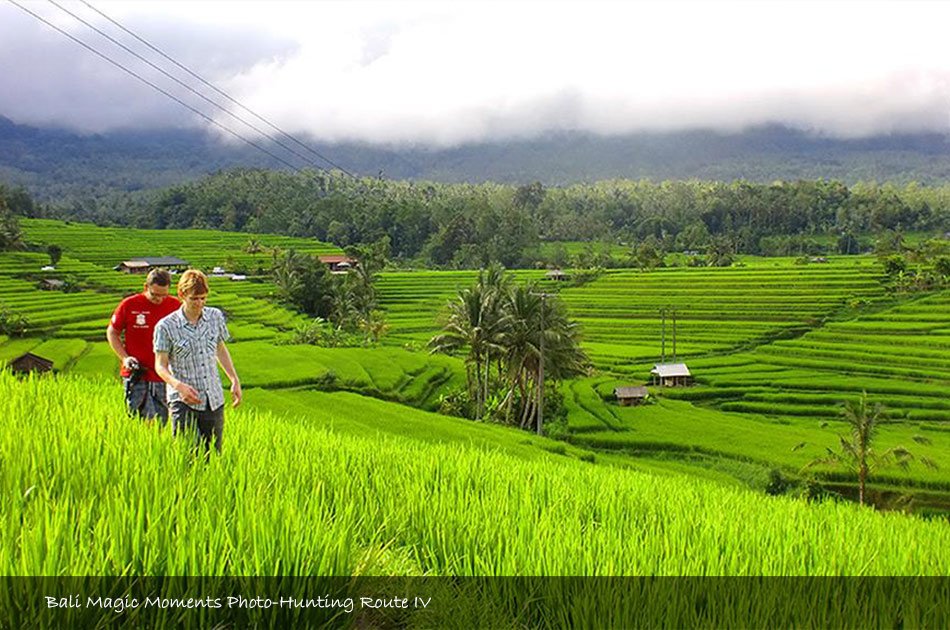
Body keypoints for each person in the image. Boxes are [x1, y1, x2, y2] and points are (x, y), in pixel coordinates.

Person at [154, 269, 241, 454]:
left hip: (213, 398)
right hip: (183, 400)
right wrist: (179, 386)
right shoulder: (166, 326)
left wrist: (234, 379)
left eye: (203, 298)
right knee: (186, 455)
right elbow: (160, 366)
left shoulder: (215, 317)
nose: (199, 303)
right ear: (182, 295)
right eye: (194, 299)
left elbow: (219, 348)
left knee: (213, 456)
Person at [107, 268, 181, 423]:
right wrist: (125, 358)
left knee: (163, 422)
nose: (159, 300)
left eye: (163, 295)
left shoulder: (176, 306)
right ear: (146, 287)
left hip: (165, 375)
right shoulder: (129, 304)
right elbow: (113, 333)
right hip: (137, 373)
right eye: (155, 295)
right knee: (137, 421)